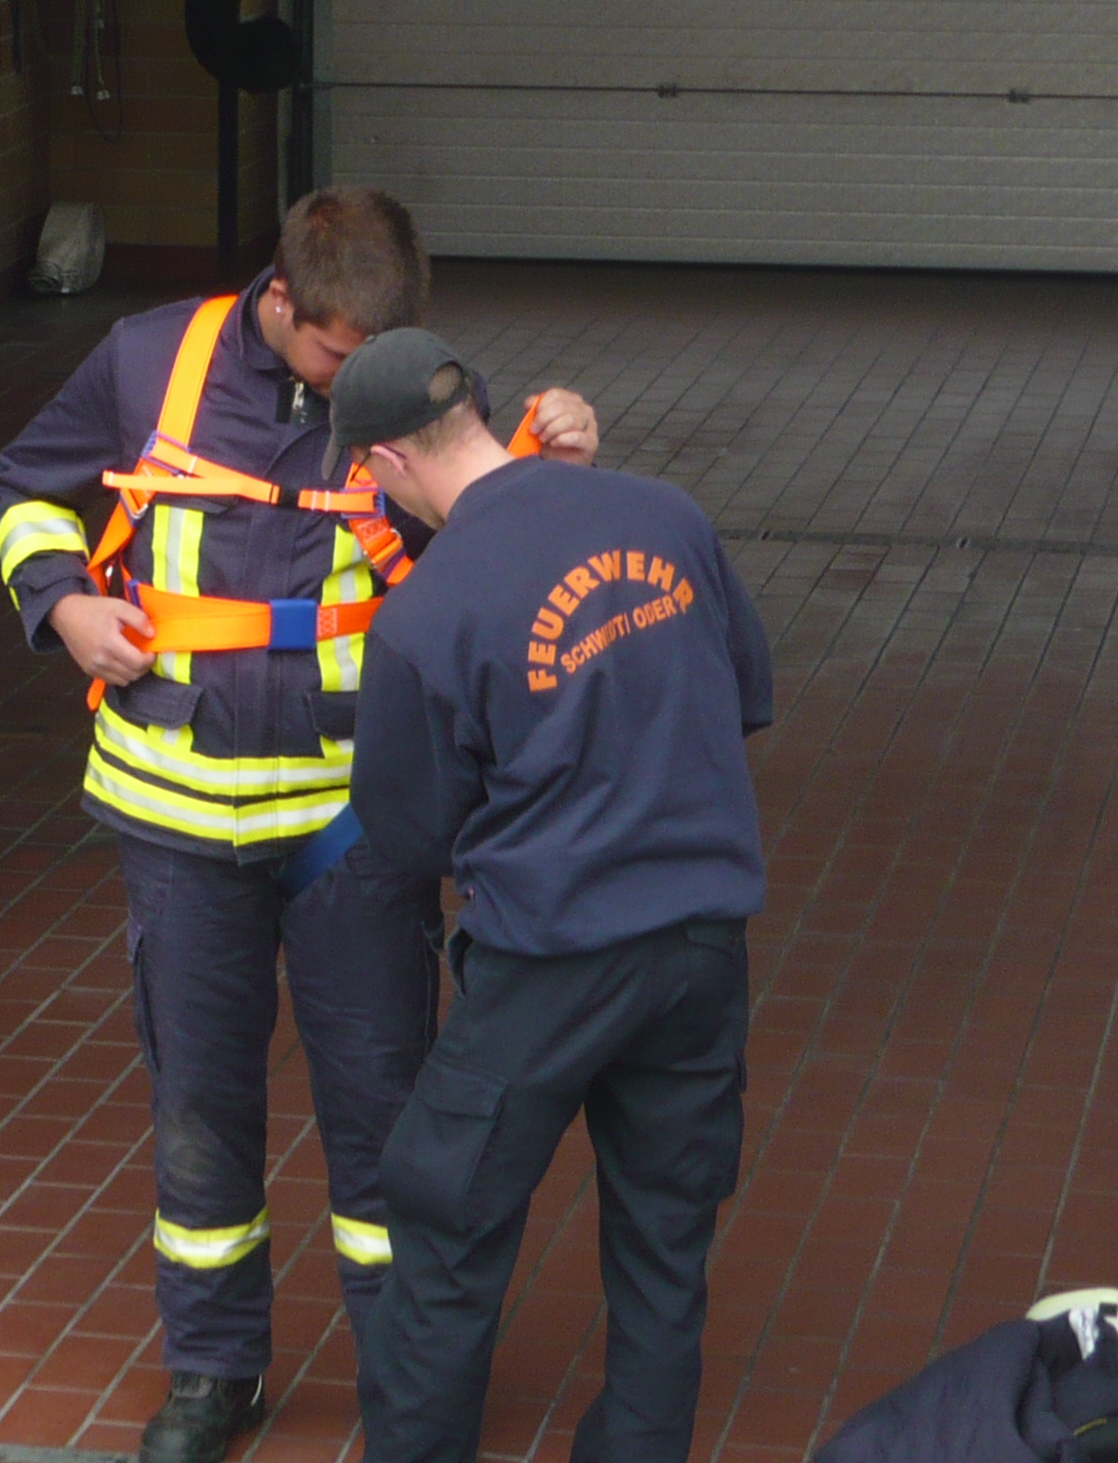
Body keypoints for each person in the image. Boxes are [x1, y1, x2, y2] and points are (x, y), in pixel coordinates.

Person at [0, 189, 599, 1463]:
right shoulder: (148, 360)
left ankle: (405, 1380)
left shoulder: (417, 384)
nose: (361, 386)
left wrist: (558, 461)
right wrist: (63, 605)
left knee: (386, 1114)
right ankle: (215, 1371)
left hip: (353, 827)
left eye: (382, 359)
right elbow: (21, 487)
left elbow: (499, 544)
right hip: (177, 819)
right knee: (199, 1109)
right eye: (335, 355)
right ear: (279, 302)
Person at [338, 330, 773, 1463]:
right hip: (700, 949)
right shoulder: (667, 515)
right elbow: (744, 693)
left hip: (545, 962)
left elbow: (411, 832)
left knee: (445, 1228)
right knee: (665, 1244)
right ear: (480, 412)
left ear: (387, 462)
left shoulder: (426, 612)